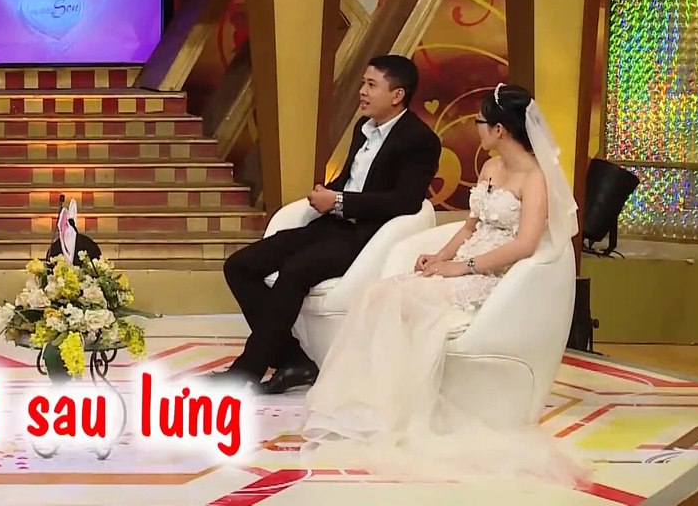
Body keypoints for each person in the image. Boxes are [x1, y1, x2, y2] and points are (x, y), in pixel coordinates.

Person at [300, 83, 589, 485]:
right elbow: (471, 226)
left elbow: (524, 244)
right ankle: (372, 405)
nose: (477, 128)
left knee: (404, 301)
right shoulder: (490, 168)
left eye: (481, 122)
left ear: (500, 130)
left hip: (494, 274)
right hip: (465, 261)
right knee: (380, 294)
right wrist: (440, 257)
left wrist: (464, 267)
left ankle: (401, 412)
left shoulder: (534, 179)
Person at [213, 54, 442, 394]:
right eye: (363, 83)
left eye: (371, 85)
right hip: (332, 225)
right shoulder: (363, 129)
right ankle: (294, 360)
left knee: (295, 272)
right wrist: (328, 193)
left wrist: (339, 201)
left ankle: (247, 370)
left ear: (397, 95)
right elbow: (353, 178)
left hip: (366, 236)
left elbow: (406, 200)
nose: (362, 91)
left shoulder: (419, 140)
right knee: (240, 266)